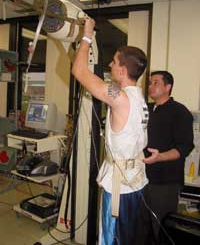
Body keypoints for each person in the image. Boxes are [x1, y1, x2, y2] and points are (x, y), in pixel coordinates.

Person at [72, 18, 149, 245]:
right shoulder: (139, 97)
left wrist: (86, 35)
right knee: (129, 238)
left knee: (111, 239)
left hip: (120, 188)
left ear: (123, 70)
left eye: (114, 62)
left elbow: (78, 70)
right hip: (136, 182)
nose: (110, 66)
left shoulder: (120, 97)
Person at [135, 70, 194, 245]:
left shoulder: (180, 112)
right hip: (141, 179)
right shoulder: (146, 109)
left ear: (168, 87)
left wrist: (160, 157)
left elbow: (184, 147)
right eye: (150, 82)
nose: (150, 86)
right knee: (140, 229)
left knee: (160, 230)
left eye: (156, 83)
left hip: (165, 183)